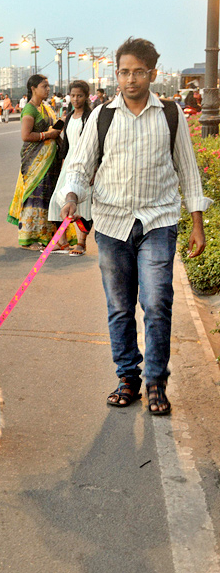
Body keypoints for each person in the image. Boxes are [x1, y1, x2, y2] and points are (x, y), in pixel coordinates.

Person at [60, 37, 211, 415]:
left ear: (152, 74)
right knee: (120, 306)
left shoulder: (171, 115)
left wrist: (197, 223)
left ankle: (156, 381)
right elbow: (80, 165)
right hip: (112, 223)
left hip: (158, 221)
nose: (130, 79)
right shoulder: (103, 116)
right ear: (117, 74)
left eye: (138, 72)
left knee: (157, 301)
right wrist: (72, 197)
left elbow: (188, 172)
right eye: (124, 72)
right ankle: (128, 377)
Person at [7, 74, 62, 249]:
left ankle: (45, 235)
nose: (48, 89)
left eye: (48, 86)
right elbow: (26, 136)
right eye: (44, 86)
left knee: (46, 197)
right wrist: (48, 135)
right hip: (34, 161)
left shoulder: (45, 108)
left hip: (49, 160)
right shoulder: (30, 110)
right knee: (33, 197)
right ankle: (28, 239)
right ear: (33, 89)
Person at [47, 80, 92, 254]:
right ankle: (63, 241)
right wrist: (63, 161)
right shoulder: (68, 116)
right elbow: (65, 143)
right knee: (57, 201)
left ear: (86, 96)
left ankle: (81, 242)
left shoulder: (90, 117)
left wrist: (93, 168)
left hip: (84, 163)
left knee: (84, 204)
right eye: (72, 95)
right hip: (69, 163)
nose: (75, 99)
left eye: (79, 95)